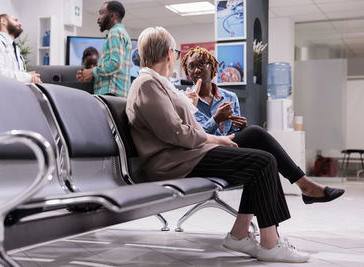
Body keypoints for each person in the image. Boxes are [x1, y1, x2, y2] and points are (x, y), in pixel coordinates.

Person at [127, 26, 309, 263]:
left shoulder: (158, 83)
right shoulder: (147, 84)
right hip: (174, 161)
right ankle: (269, 242)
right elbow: (178, 133)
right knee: (263, 162)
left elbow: (181, 128)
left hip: (185, 153)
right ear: (169, 54)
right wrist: (217, 139)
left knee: (256, 143)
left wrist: (188, 104)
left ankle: (242, 235)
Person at [181, 46, 345, 204]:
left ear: (213, 67)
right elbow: (195, 136)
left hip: (229, 147)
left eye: (202, 64)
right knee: (256, 135)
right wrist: (216, 119)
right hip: (205, 153)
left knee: (266, 155)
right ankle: (304, 185)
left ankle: (275, 223)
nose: (196, 70)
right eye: (191, 67)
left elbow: (232, 132)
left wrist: (240, 127)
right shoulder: (185, 99)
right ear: (188, 73)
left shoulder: (229, 96)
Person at [76, 1, 131, 98]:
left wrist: (92, 71)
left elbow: (115, 64)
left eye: (102, 13)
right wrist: (90, 75)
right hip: (115, 95)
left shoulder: (115, 33)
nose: (98, 18)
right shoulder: (121, 33)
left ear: (112, 16)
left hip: (111, 95)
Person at [0, 14, 41, 83]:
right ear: (3, 21)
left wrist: (29, 78)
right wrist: (27, 77)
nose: (20, 24)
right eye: (15, 20)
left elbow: (16, 75)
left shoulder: (15, 48)